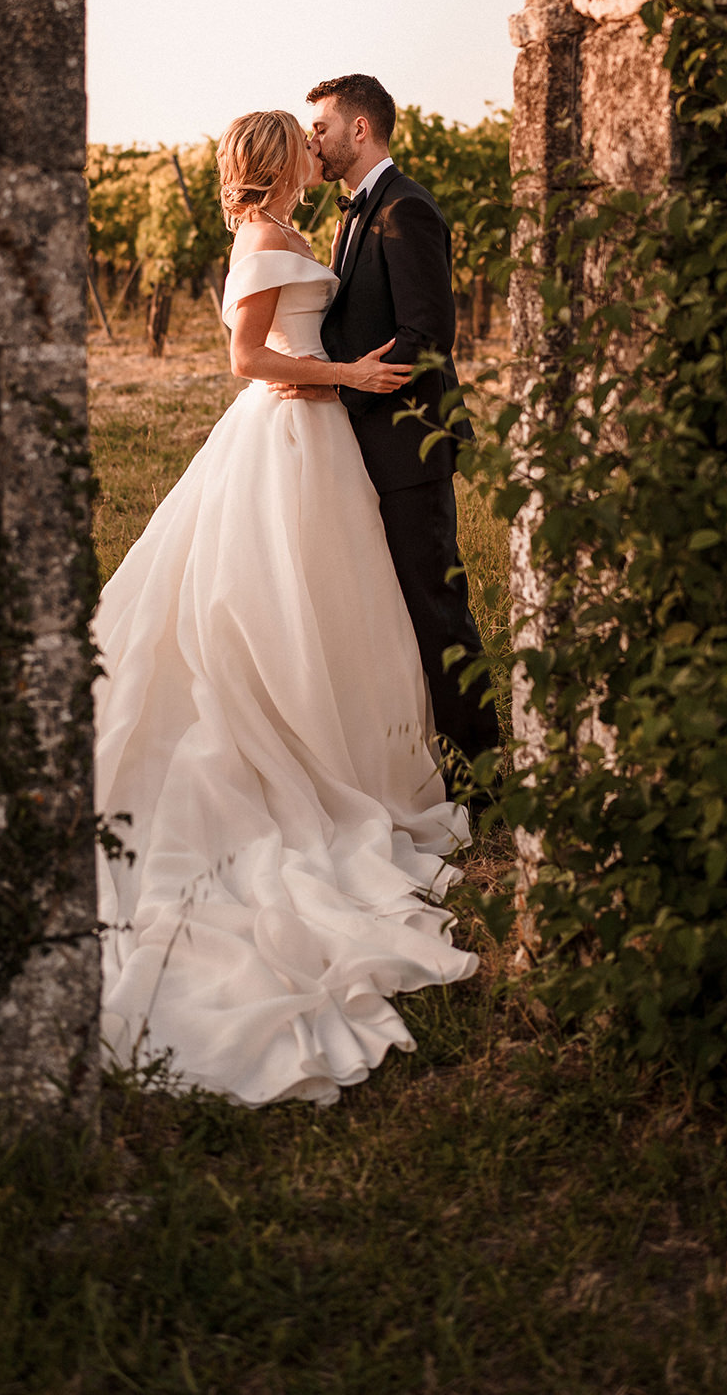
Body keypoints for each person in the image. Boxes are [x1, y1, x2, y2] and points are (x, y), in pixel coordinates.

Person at [93, 109, 477, 1107]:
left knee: (339, 610)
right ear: (273, 161)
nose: (316, 144)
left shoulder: (300, 230)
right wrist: (345, 373)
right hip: (281, 433)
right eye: (299, 137)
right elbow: (247, 360)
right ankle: (295, 762)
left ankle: (354, 753)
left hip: (323, 447)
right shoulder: (263, 240)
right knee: (268, 611)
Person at [303, 74, 497, 772]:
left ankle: (480, 766)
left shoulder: (404, 209)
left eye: (321, 126)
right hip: (368, 442)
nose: (312, 141)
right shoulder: (354, 210)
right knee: (387, 607)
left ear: (361, 129)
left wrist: (341, 392)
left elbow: (426, 334)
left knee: (435, 604)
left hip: (409, 443)